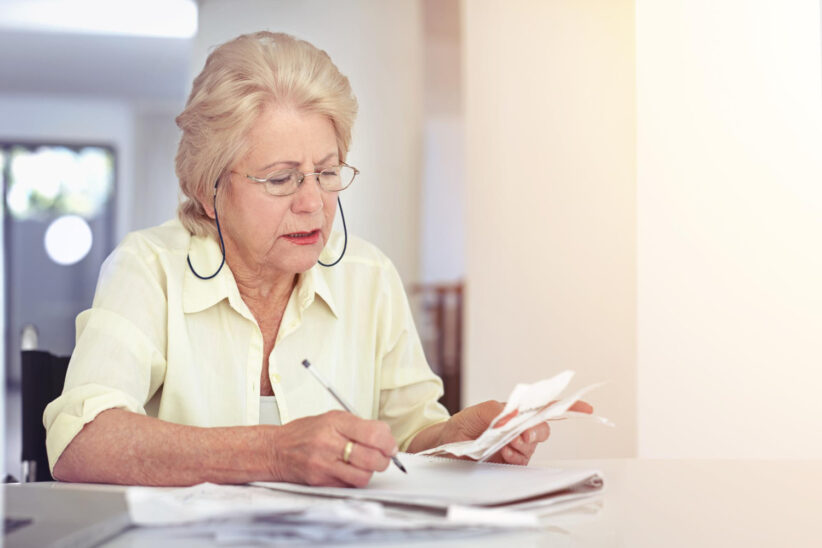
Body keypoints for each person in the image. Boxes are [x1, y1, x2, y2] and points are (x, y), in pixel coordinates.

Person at [44, 31, 591, 488]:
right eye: (281, 178)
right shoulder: (148, 268)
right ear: (208, 185)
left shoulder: (369, 278)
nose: (312, 202)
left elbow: (407, 444)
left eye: (327, 173)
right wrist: (273, 451)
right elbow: (82, 443)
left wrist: (455, 440)